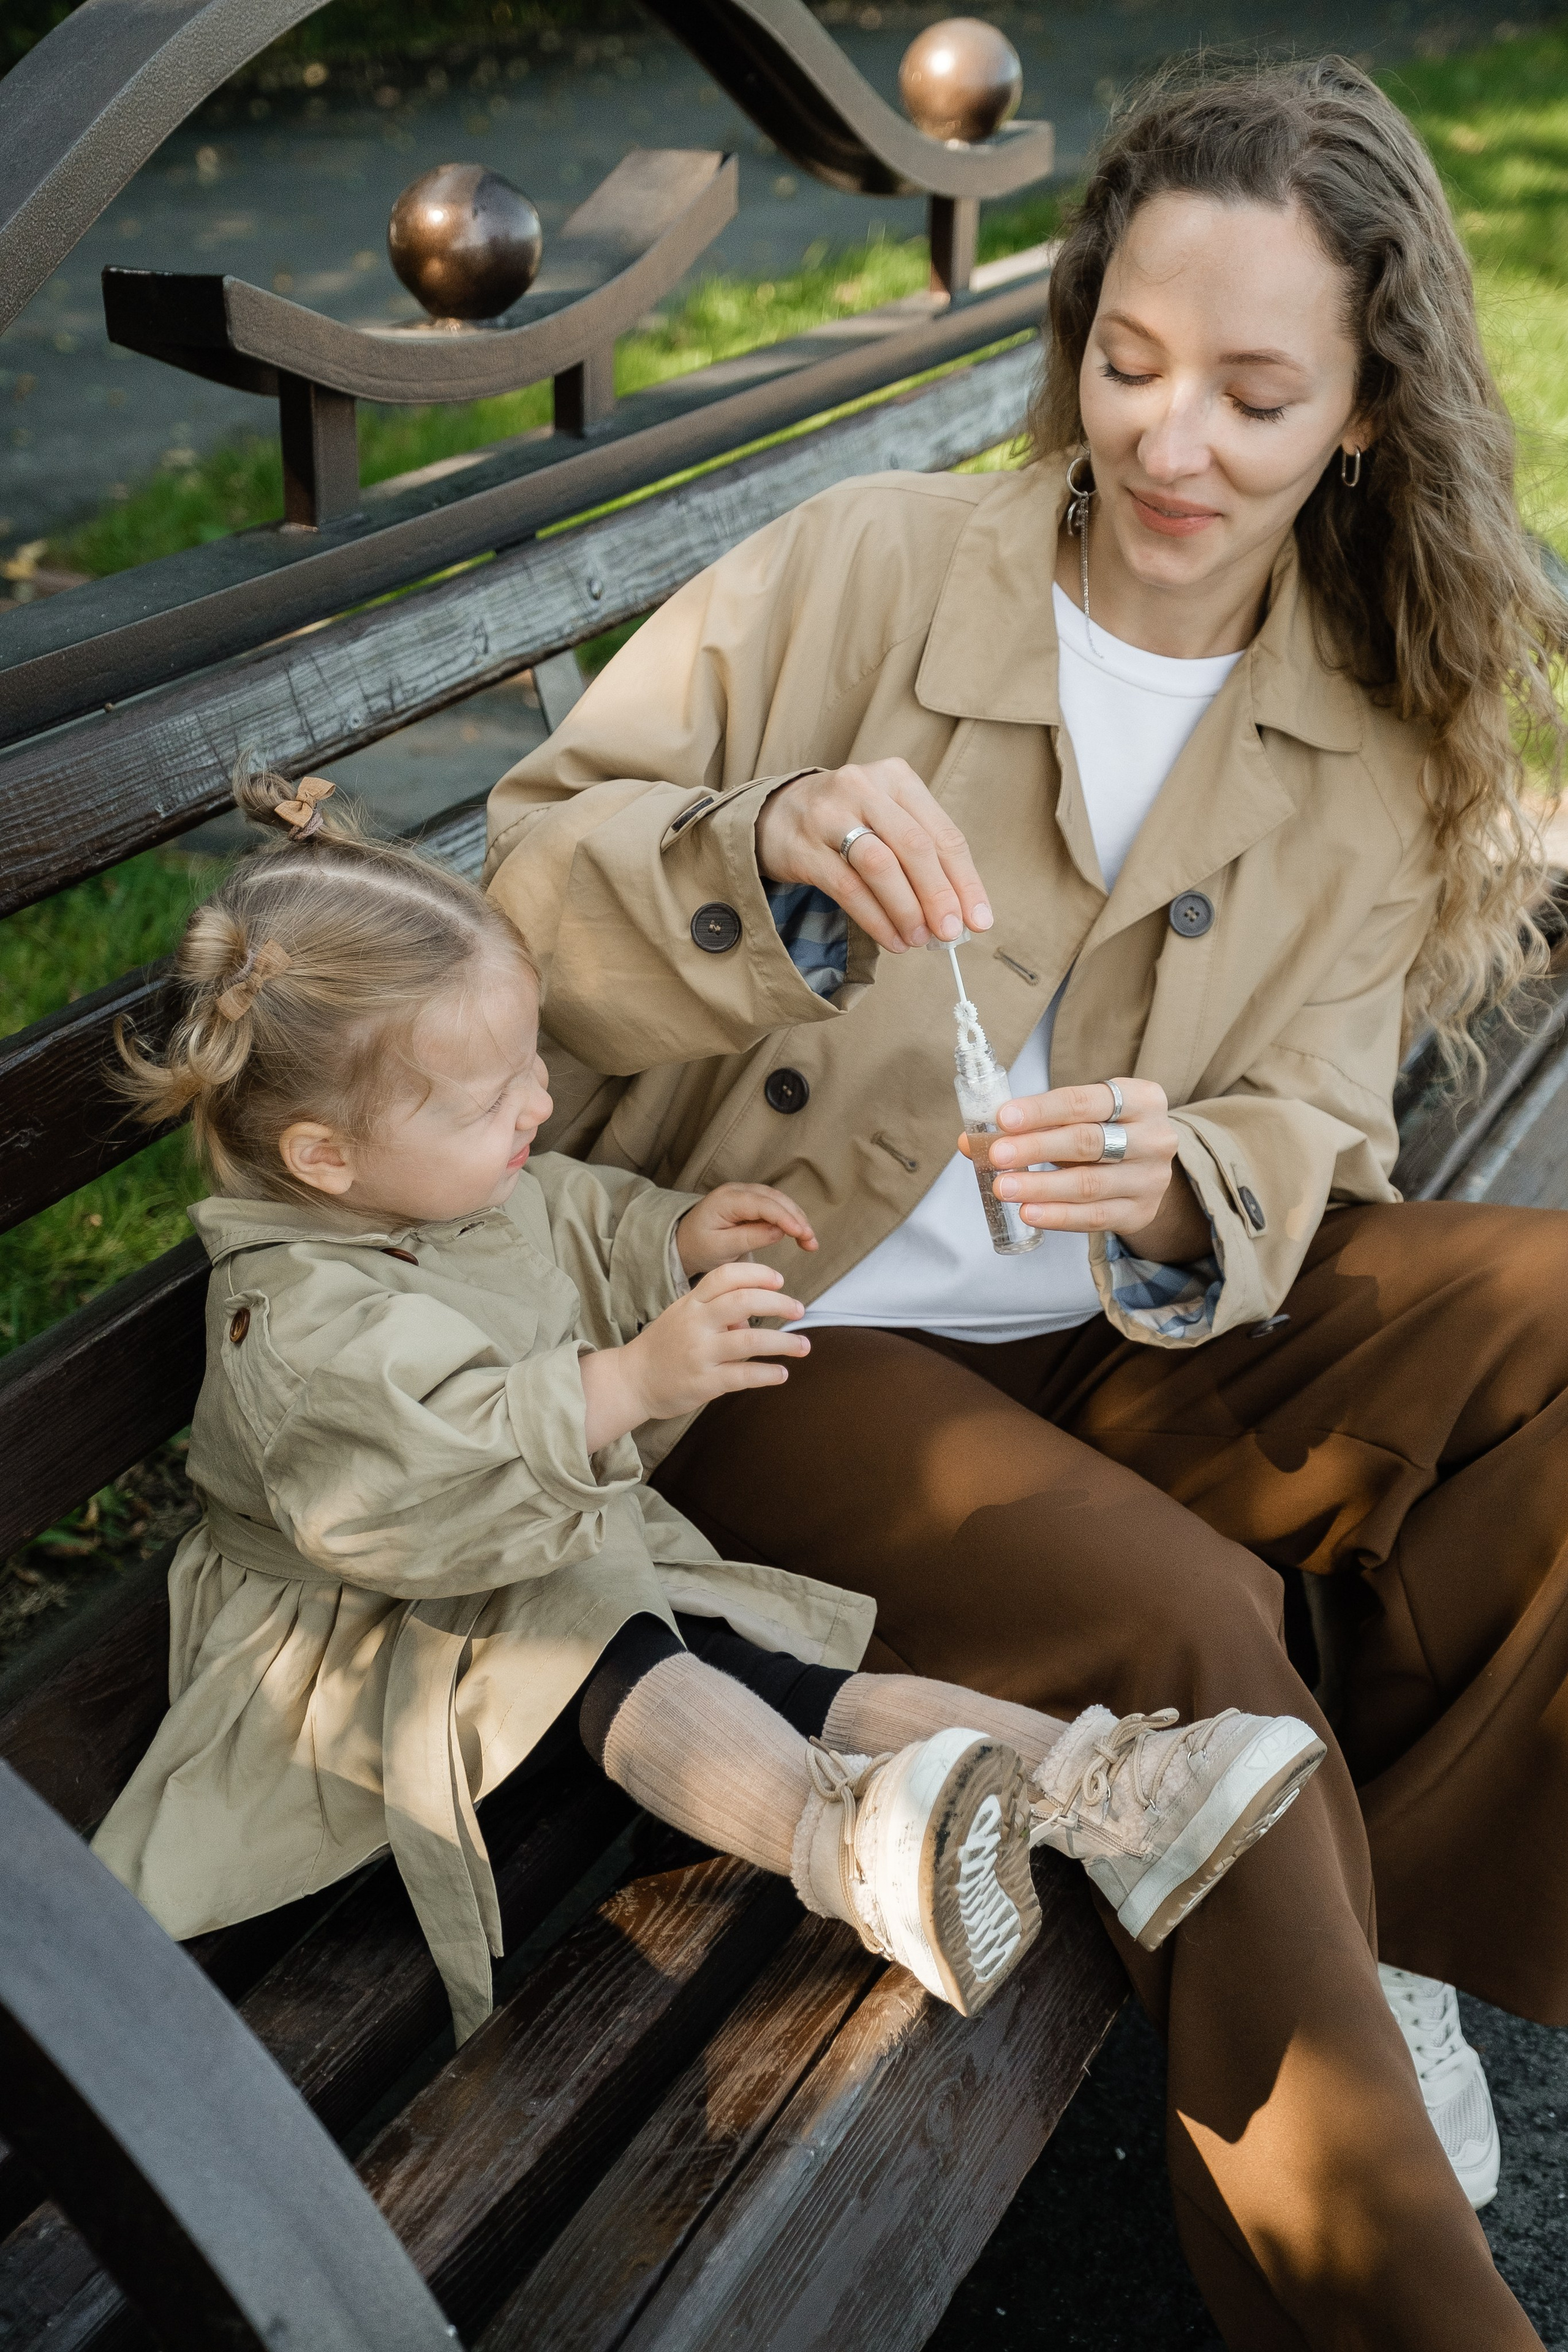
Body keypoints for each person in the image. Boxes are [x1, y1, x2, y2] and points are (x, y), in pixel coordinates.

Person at [481, 54, 1566, 2352]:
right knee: (1201, 1645)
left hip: (1125, 1333)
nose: (1173, 443)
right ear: (1079, 331)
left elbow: (1314, 1124)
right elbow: (525, 876)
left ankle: (1375, 1924)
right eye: (1132, 361)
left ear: (1367, 416)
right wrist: (750, 847)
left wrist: (1187, 1177)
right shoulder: (873, 568)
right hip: (773, 1334)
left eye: (1258, 396)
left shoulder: (1359, 722)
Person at [89, 766, 1317, 2045]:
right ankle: (846, 1852)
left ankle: (1101, 1786)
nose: (538, 1104)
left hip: (524, 1572)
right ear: (322, 1158)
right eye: (489, 1097)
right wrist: (626, 1382)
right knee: (607, 1628)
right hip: (380, 1649)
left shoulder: (433, 1188)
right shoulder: (293, 1323)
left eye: (529, 1062)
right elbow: (410, 1489)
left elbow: (564, 1209)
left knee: (768, 1661)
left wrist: (671, 1238)